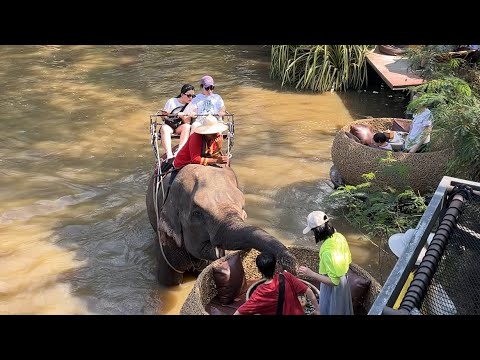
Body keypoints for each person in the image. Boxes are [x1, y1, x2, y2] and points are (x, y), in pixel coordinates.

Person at [298, 211, 354, 315]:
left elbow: (334, 282)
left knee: (332, 309)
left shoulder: (327, 251)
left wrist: (310, 273)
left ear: (317, 231)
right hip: (344, 281)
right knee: (342, 309)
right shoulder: (339, 236)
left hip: (334, 289)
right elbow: (347, 262)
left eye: (313, 231)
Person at [234, 251, 320, 315]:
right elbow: (308, 291)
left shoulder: (259, 293)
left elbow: (239, 312)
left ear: (259, 270)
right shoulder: (287, 276)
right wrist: (317, 309)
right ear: (276, 266)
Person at [165, 115, 229, 182]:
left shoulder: (217, 136)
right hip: (186, 162)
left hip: (205, 160)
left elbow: (213, 155)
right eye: (211, 132)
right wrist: (216, 161)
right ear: (205, 132)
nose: (215, 134)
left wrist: (219, 147)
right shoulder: (196, 137)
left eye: (215, 132)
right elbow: (195, 159)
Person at [159, 84, 197, 168]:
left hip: (180, 126)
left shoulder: (192, 105)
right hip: (170, 125)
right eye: (188, 95)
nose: (190, 98)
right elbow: (163, 117)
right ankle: (169, 154)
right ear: (182, 94)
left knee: (187, 127)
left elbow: (187, 122)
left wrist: (184, 116)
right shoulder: (171, 101)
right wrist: (173, 114)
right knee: (164, 128)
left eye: (193, 96)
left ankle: (179, 151)